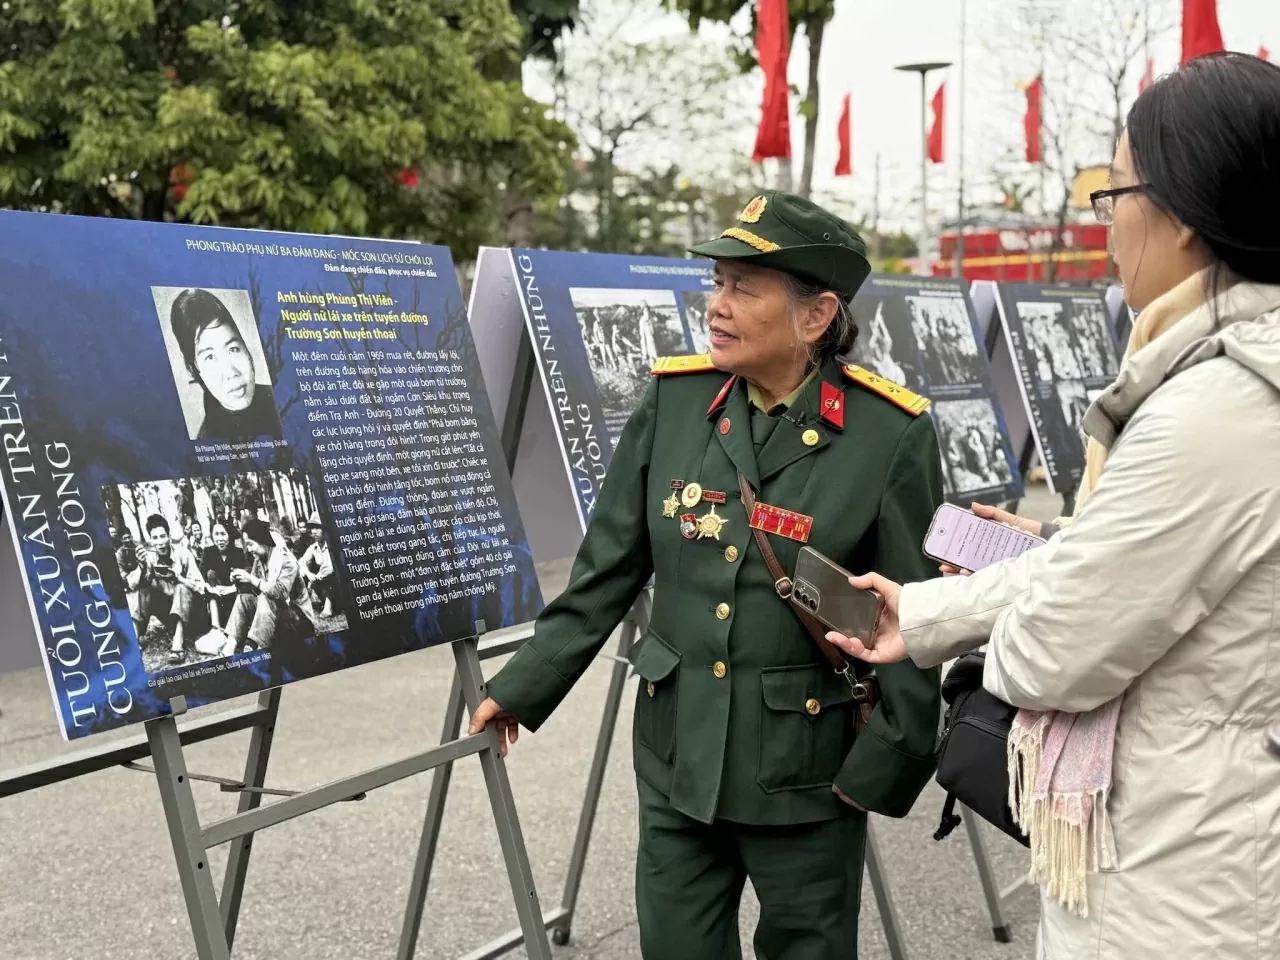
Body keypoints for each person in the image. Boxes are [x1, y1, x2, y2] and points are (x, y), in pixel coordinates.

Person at [826, 52, 1280, 960]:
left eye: (1114, 195)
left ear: (1184, 213)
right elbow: (1122, 568)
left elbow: (1053, 654)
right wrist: (922, 611)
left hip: (1176, 884)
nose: (1107, 225)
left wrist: (1010, 609)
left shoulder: (1217, 407)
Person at [469, 191, 946, 959]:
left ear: (817, 315)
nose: (716, 307)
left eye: (742, 288)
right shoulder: (677, 401)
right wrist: (523, 684)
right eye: (716, 283)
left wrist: (883, 769)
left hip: (805, 774)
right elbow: (608, 568)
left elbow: (916, 615)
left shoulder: (888, 437)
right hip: (676, 754)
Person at [169, 288, 283, 442]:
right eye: (210, 357)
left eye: (233, 349)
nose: (231, 372)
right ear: (195, 368)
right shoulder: (207, 443)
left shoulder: (281, 401)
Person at [125, 513, 208, 664]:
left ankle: (178, 643)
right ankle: (134, 638)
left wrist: (179, 578)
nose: (160, 542)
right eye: (155, 538)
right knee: (144, 586)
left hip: (194, 616)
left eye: (163, 536)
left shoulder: (183, 554)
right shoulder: (149, 557)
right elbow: (131, 585)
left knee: (181, 587)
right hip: (170, 615)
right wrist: (142, 566)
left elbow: (202, 588)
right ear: (150, 540)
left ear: (169, 536)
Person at [224, 517, 309, 655]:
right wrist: (239, 579)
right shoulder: (260, 560)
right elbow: (253, 589)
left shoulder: (286, 559)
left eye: (251, 544)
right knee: (243, 599)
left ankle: (254, 647)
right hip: (276, 618)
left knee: (266, 597)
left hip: (299, 621)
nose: (249, 549)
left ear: (262, 541)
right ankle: (229, 647)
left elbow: (280, 592)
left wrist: (251, 579)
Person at [298, 513, 336, 619]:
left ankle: (328, 607)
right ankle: (304, 604)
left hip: (337, 584)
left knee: (332, 576)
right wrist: (308, 574)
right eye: (311, 528)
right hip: (323, 583)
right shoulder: (314, 547)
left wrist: (316, 577)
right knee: (302, 574)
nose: (313, 531)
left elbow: (329, 568)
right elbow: (301, 562)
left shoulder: (331, 545)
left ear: (324, 529)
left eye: (317, 528)